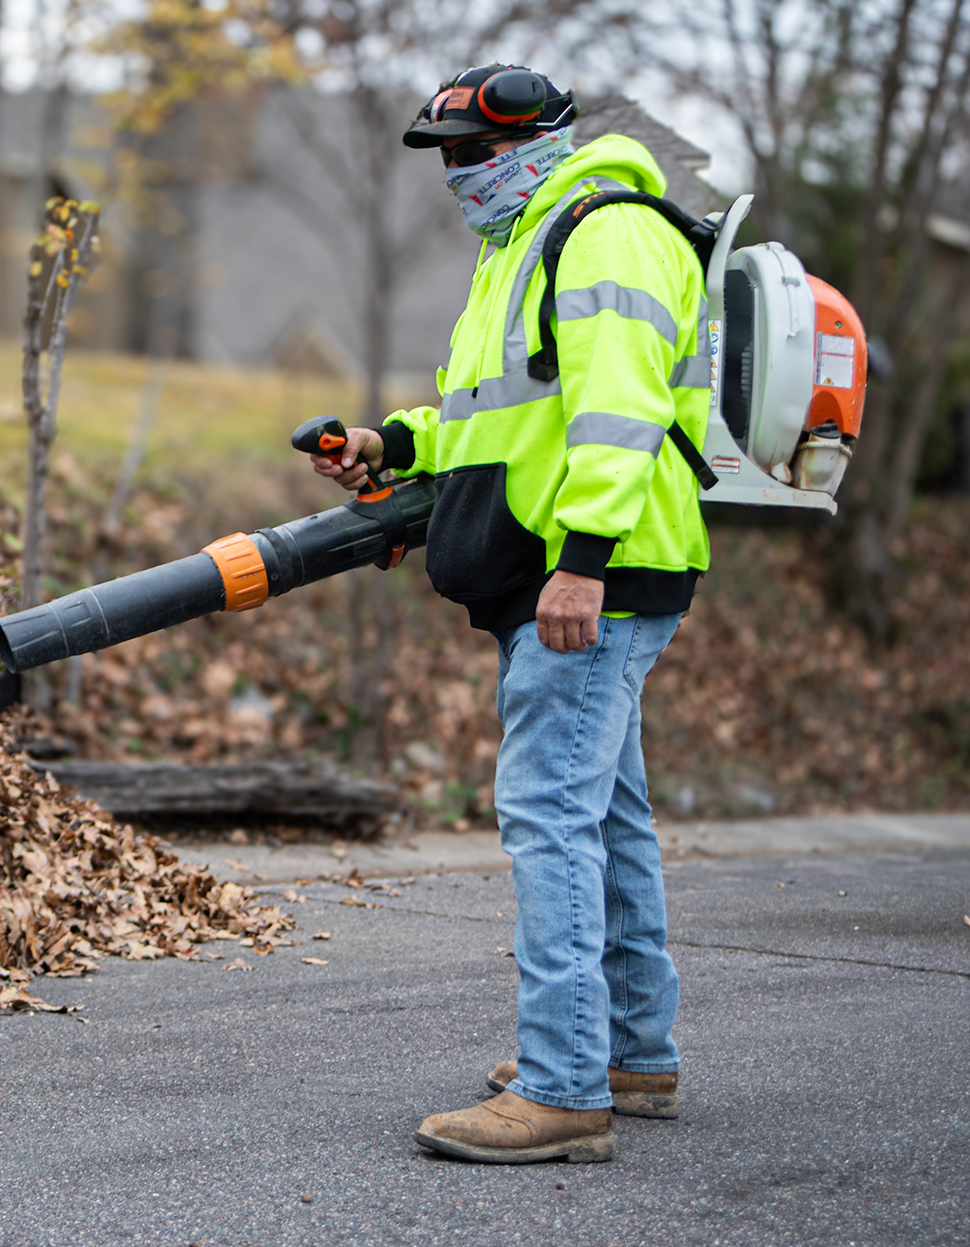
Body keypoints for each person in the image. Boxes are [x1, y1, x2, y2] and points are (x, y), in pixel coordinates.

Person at [308, 64, 708, 1165]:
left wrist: (580, 561)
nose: (456, 174)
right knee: (604, 819)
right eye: (443, 156)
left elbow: (620, 413)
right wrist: (394, 444)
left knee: (548, 820)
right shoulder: (520, 246)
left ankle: (564, 1087)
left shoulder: (606, 232)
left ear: (536, 140)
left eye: (470, 153)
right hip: (561, 573)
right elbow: (499, 420)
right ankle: (629, 1053)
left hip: (586, 577)